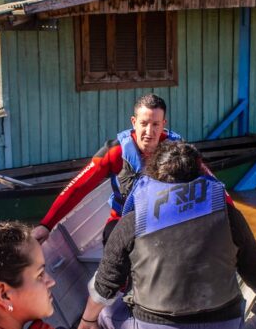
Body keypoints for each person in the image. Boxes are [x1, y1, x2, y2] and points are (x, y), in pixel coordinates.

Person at [74, 141, 256, 329]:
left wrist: (88, 321)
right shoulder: (227, 213)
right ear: (200, 173)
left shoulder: (133, 220)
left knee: (106, 312)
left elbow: (104, 288)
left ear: (152, 174)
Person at [32, 93, 182, 245]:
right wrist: (46, 225)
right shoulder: (115, 152)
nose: (149, 132)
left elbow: (206, 181)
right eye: (144, 123)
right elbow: (78, 188)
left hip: (166, 218)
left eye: (155, 124)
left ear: (164, 124)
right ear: (134, 122)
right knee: (113, 241)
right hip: (124, 219)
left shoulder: (179, 151)